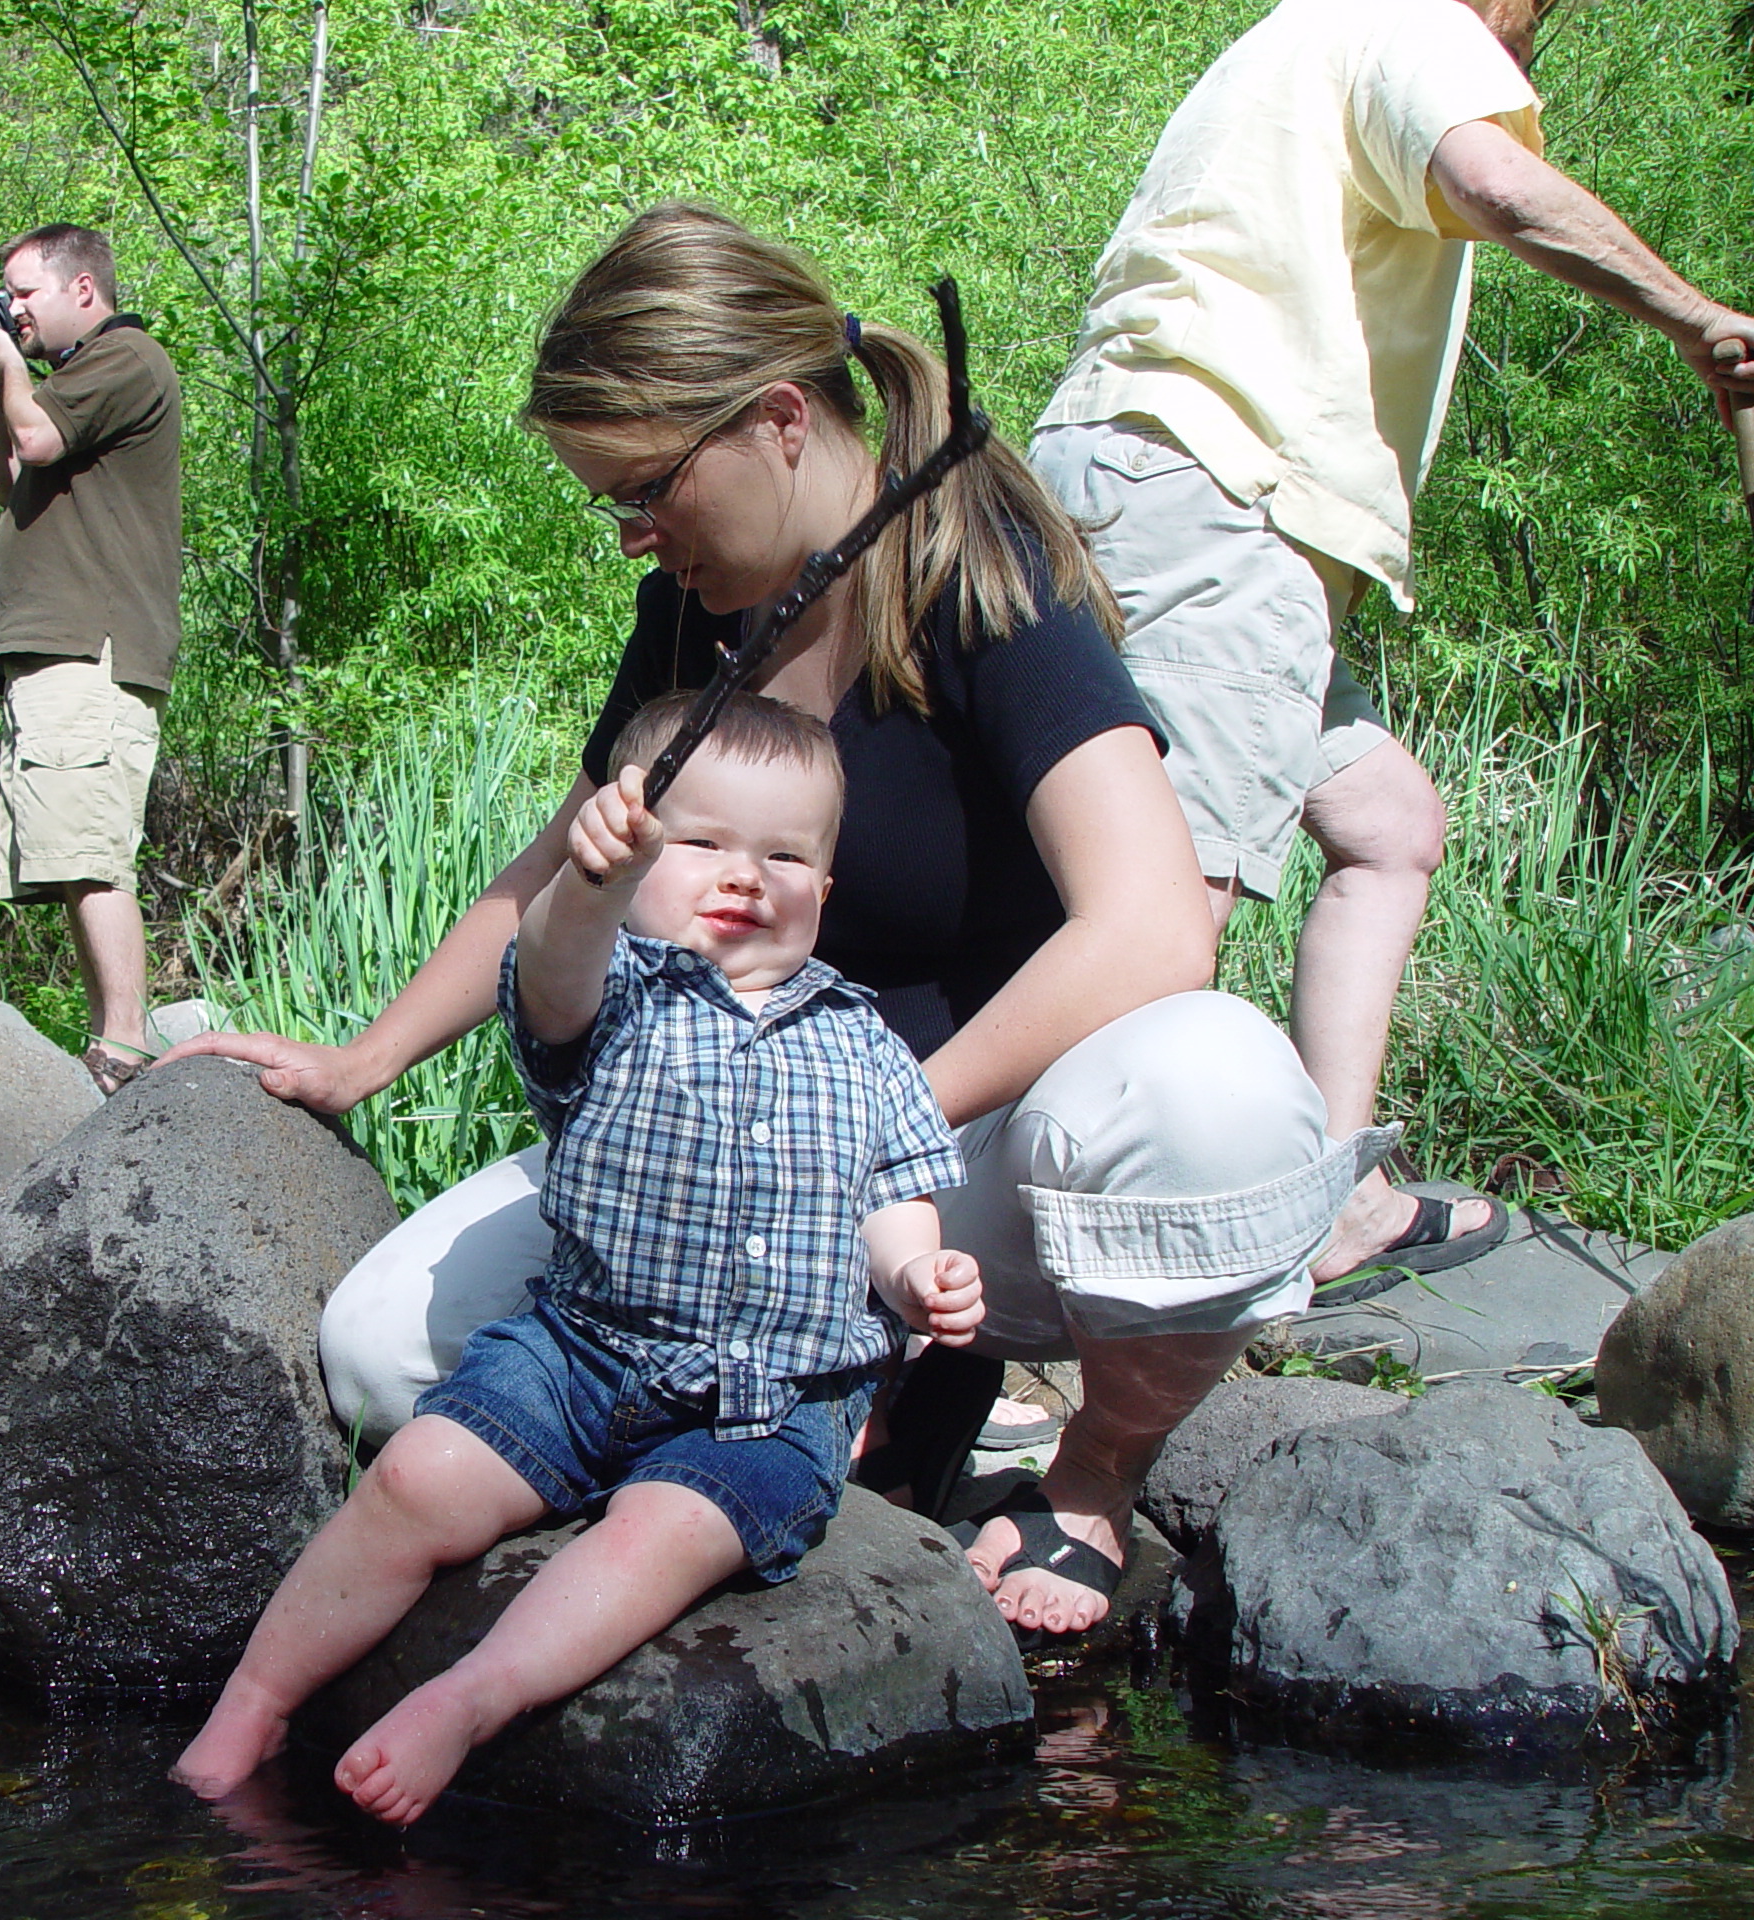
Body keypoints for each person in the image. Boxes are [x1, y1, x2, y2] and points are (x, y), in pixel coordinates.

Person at [171, 203, 1394, 1646]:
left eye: (643, 489)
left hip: (966, 1169)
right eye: (606, 503)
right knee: (383, 1356)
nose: (631, 534)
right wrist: (361, 1061)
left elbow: (1150, 931)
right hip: (707, 1175)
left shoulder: (978, 574)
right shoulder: (694, 616)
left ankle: (1090, 1478)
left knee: (1220, 1091)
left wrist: (845, 1144)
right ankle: (814, 1418)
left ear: (779, 420)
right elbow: (551, 869)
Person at [1027, 0, 1754, 1282]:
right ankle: (1052, 1290)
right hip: (1218, 498)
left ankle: (1328, 1199)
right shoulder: (1416, 21)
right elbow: (1497, 188)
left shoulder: (1301, 38)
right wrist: (1701, 323)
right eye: (1538, 26)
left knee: (1388, 824)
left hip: (1157, 484)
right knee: (1159, 911)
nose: (1533, 55)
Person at [172, 690, 985, 1824]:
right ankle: (251, 1704)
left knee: (665, 1533)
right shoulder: (616, 999)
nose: (743, 876)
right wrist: (586, 886)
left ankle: (472, 1696)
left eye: (784, 855)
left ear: (827, 889)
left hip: (766, 1401)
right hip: (579, 1352)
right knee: (414, 1478)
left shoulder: (869, 1049)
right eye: (698, 844)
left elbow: (891, 1201)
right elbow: (550, 968)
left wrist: (914, 1276)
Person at [0, 223, 183, 1094]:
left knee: (89, 851)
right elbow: (14, 473)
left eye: (24, 294)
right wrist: (0, 383)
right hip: (55, 651)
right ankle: (109, 1039)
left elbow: (42, 442)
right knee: (64, 853)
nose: (11, 311)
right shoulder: (65, 380)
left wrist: (12, 372)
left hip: (91, 649)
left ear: (82, 289)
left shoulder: (124, 359)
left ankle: (122, 1046)